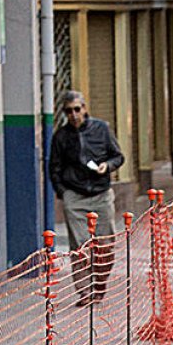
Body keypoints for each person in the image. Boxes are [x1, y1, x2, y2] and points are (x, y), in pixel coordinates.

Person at [49, 90, 124, 303]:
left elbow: (118, 156)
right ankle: (85, 291)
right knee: (80, 248)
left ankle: (100, 285)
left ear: (84, 108)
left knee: (105, 245)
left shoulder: (102, 129)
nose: (73, 114)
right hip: (75, 196)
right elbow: (54, 167)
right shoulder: (61, 136)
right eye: (68, 111)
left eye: (77, 109)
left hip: (101, 193)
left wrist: (107, 166)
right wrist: (63, 193)